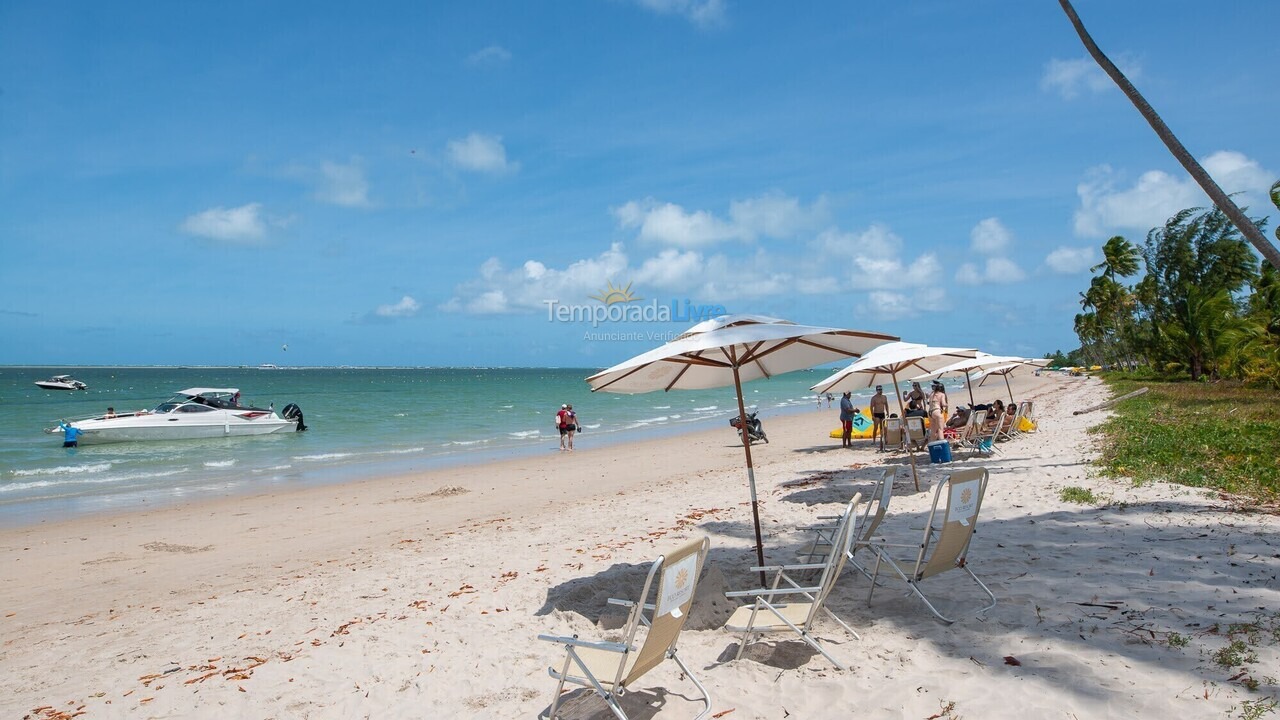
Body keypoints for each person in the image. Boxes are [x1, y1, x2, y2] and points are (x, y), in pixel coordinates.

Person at [869, 385, 889, 451]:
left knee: (883, 428)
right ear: (876, 390)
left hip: (882, 413)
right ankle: (874, 440)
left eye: (880, 389)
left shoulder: (884, 397)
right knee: (875, 427)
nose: (880, 391)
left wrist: (888, 412)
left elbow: (886, 405)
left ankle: (882, 440)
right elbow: (871, 407)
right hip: (876, 414)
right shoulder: (874, 398)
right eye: (878, 390)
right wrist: (872, 415)